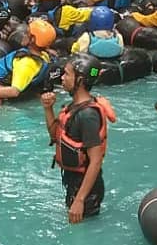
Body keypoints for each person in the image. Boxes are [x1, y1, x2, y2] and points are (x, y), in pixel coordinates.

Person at [43, 54, 115, 222]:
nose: (62, 77)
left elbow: (95, 161)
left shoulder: (88, 116)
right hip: (74, 182)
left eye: (67, 74)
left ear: (80, 80)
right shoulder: (73, 107)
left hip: (86, 190)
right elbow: (55, 135)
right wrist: (48, 109)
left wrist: (80, 200)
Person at [0, 19, 56, 104]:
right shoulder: (44, 56)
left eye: (27, 33)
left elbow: (14, 91)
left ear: (32, 40)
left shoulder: (26, 64)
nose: (24, 35)